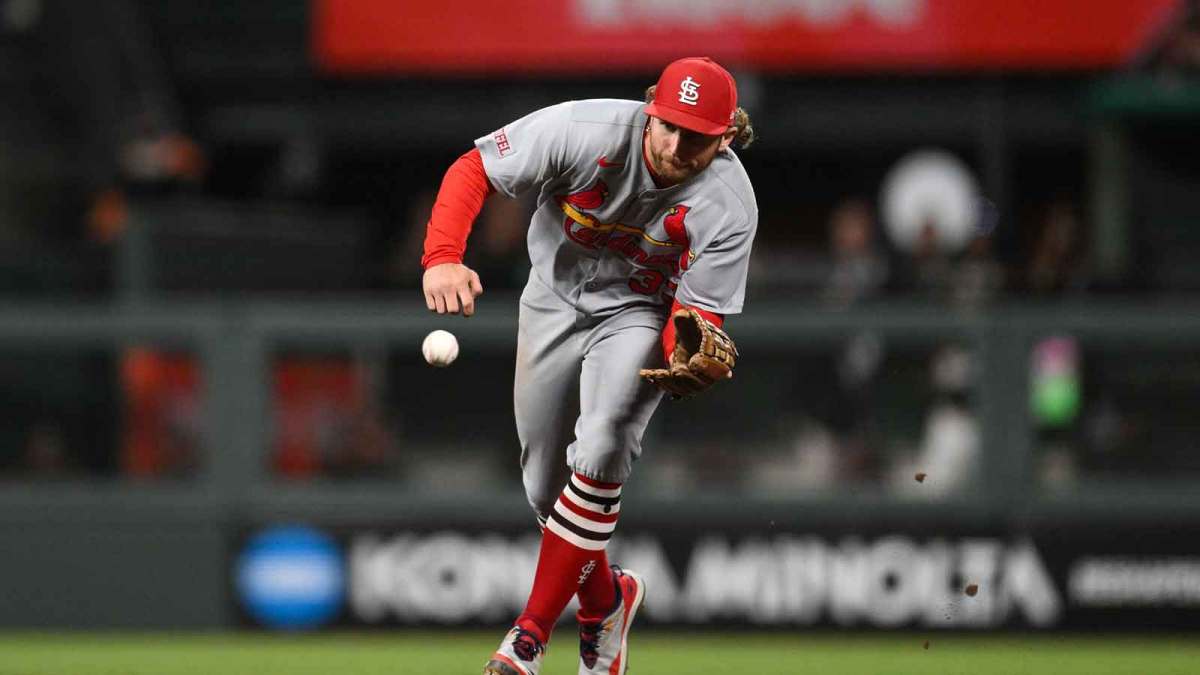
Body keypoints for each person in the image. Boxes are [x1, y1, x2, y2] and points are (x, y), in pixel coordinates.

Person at [419, 57, 758, 675]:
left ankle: (528, 636)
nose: (679, 145)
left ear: (728, 135)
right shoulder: (584, 128)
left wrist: (687, 345)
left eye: (699, 136)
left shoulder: (730, 204)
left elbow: (694, 315)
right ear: (651, 106)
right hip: (550, 296)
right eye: (671, 126)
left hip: (639, 313)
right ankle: (606, 601)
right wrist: (442, 255)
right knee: (547, 489)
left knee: (601, 446)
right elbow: (476, 168)